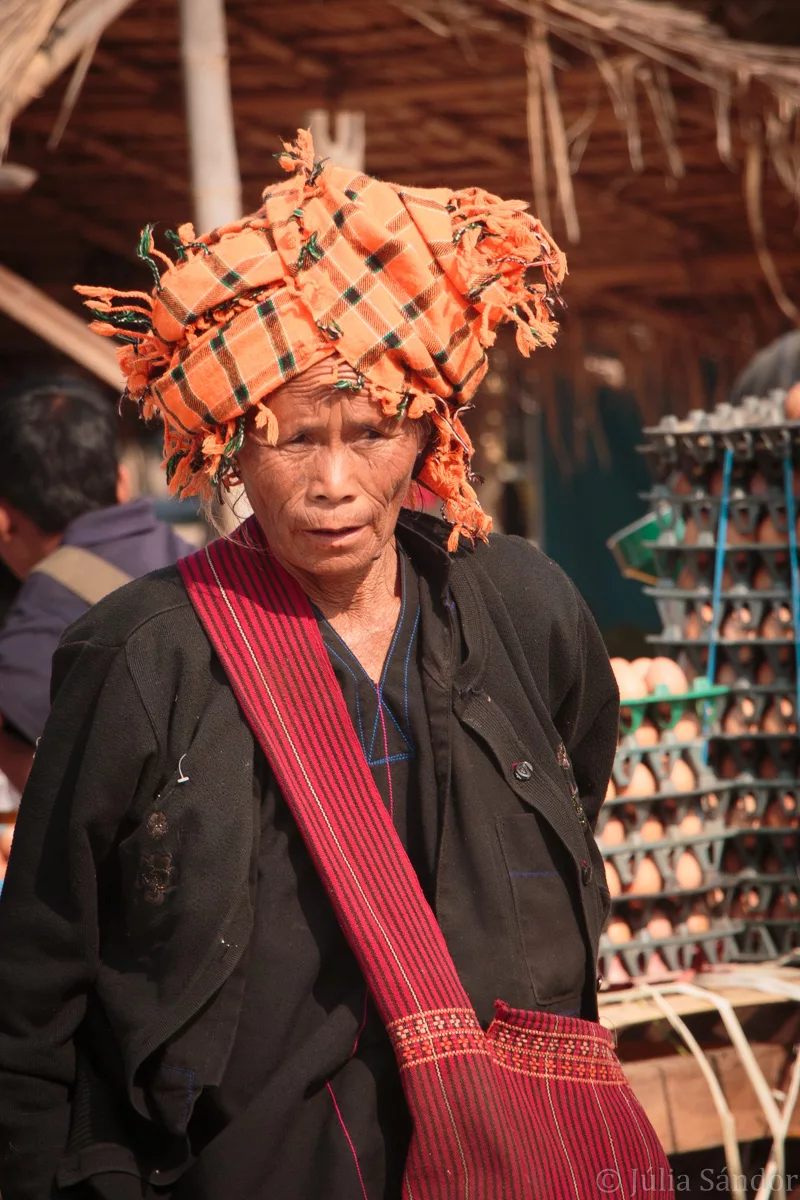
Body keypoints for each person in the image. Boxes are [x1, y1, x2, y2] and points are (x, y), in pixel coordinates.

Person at [0, 132, 671, 1199]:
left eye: (369, 432)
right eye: (292, 436)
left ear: (429, 432)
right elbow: (38, 982)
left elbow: (573, 775)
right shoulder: (144, 656)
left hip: (508, 1151)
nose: (333, 482)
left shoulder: (519, 605)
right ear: (230, 442)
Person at [0, 377, 192, 794]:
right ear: (122, 481)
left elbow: (61, 802)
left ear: (4, 520)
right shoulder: (205, 563)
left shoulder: (30, 637)